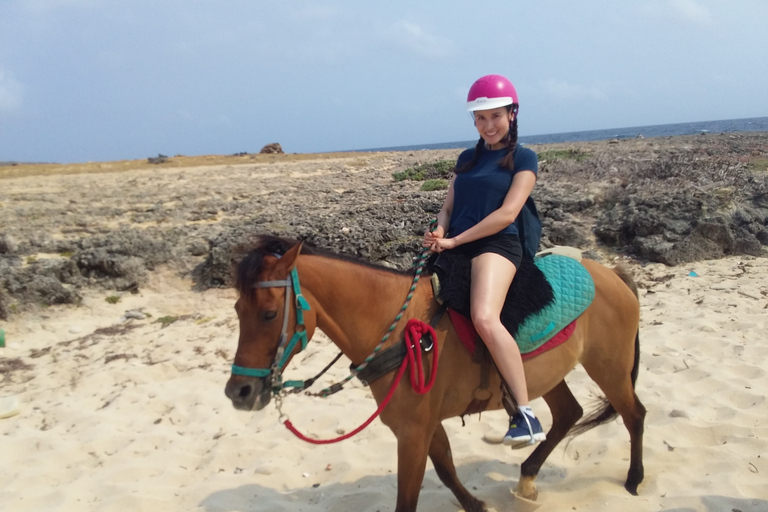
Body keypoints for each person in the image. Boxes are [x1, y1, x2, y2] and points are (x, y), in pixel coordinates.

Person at [423, 74, 545, 447]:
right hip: (456, 244)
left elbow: (508, 213)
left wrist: (458, 238)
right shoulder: (466, 158)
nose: (488, 125)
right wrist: (440, 232)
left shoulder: (524, 158)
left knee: (484, 317)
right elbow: (448, 207)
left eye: (496, 116)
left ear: (512, 114)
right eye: (481, 118)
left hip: (497, 245)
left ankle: (525, 414)